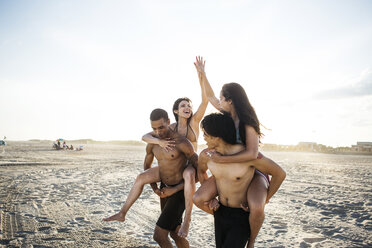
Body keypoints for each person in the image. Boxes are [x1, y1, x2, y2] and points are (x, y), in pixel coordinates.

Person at [193, 56, 283, 247]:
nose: (219, 100)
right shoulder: (225, 115)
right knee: (200, 198)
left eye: (222, 97)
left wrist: (222, 160)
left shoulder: (247, 122)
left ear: (230, 100)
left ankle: (250, 242)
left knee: (257, 207)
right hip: (230, 167)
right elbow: (209, 97)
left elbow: (251, 154)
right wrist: (202, 74)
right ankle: (221, 211)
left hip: (253, 167)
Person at [103, 109, 198, 248]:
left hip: (179, 193)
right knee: (175, 233)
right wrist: (155, 188)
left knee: (159, 235)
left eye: (161, 127)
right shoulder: (153, 143)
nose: (158, 132)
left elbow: (199, 172)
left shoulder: (182, 143)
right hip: (164, 189)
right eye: (154, 129)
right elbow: (147, 166)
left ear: (169, 123)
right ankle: (122, 213)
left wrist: (177, 188)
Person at [141, 57, 208, 238]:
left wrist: (201, 75)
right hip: (174, 168)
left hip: (190, 165)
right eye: (182, 105)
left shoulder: (194, 122)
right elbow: (147, 136)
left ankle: (188, 219)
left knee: (188, 174)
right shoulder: (169, 128)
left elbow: (205, 100)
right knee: (172, 232)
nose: (187, 107)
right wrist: (159, 142)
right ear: (176, 111)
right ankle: (180, 224)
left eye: (188, 105)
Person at [196, 112, 286, 248]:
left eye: (206, 135)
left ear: (217, 136)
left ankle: (251, 242)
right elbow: (201, 171)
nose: (204, 138)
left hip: (242, 214)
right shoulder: (206, 155)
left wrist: (266, 198)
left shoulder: (246, 156)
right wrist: (211, 197)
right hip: (220, 212)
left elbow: (279, 174)